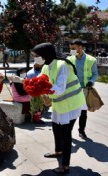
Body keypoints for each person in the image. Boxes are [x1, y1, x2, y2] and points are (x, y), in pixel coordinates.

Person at [32, 42, 86, 174]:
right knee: (56, 127)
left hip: (71, 104)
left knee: (66, 134)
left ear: (45, 55)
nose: (35, 58)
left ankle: (65, 166)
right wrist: (26, 83)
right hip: (60, 103)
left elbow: (59, 89)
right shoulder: (46, 66)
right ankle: (58, 151)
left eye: (37, 55)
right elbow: (40, 81)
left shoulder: (62, 65)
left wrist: (43, 91)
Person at [69, 39, 98, 139]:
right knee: (71, 111)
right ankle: (68, 131)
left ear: (80, 47)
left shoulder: (91, 60)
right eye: (71, 48)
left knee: (83, 112)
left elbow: (95, 74)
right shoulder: (70, 59)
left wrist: (91, 81)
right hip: (72, 89)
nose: (71, 50)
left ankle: (81, 130)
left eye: (73, 48)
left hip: (85, 89)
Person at [26, 57, 47, 124]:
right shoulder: (31, 73)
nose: (41, 66)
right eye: (40, 65)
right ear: (35, 65)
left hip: (39, 91)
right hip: (35, 92)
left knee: (38, 106)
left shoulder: (39, 71)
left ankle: (37, 118)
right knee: (36, 106)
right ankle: (36, 119)